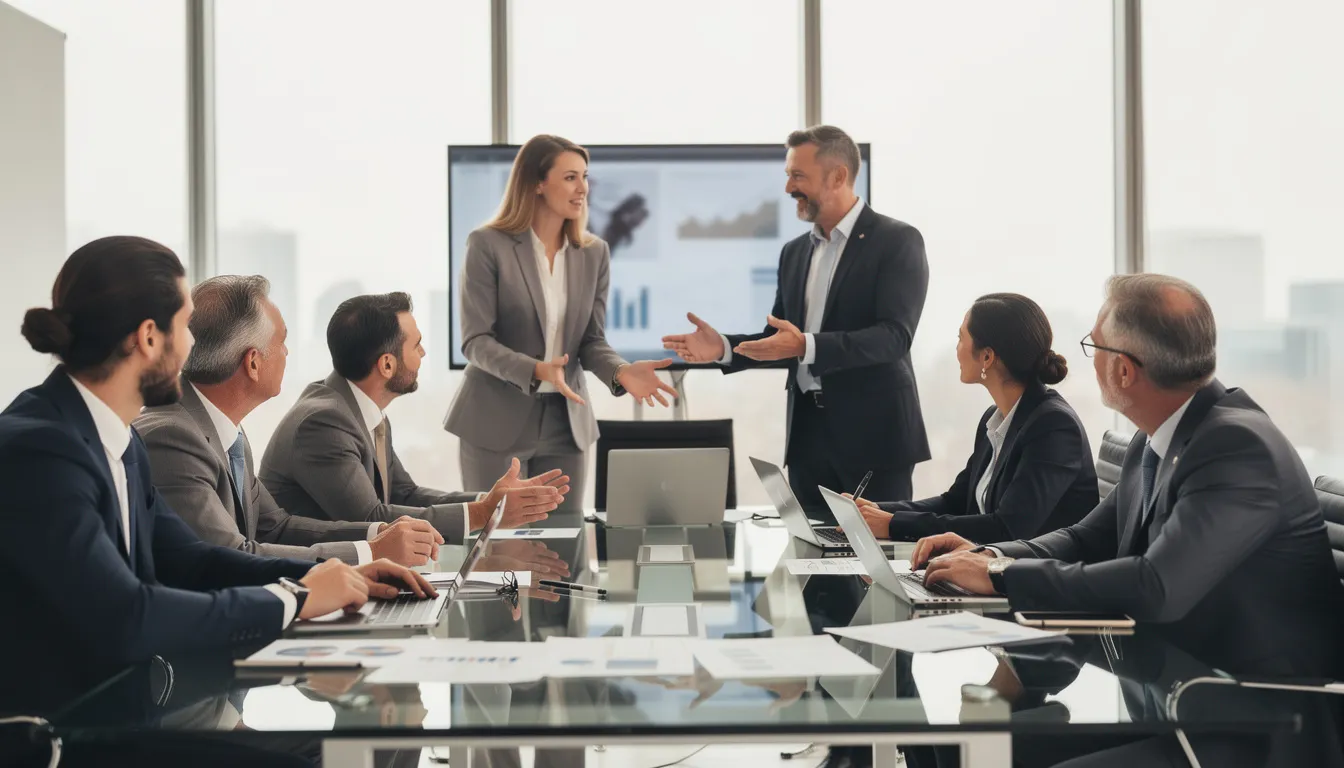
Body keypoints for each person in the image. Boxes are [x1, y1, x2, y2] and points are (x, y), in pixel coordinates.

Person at [911, 274, 1344, 765]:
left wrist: (1001, 578)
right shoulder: (1156, 438)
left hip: (1252, 728)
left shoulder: (1238, 447)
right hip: (1177, 700)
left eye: (1093, 344)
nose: (1087, 358)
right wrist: (987, 556)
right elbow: (1084, 539)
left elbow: (1157, 585)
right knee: (955, 750)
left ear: (1122, 371)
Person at [0, 237, 434, 718]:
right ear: (148, 338)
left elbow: (194, 561)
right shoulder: (41, 449)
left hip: (131, 708)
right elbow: (126, 614)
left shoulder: (119, 441)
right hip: (67, 734)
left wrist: (329, 574)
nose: (194, 345)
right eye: (186, 325)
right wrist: (297, 597)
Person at [662, 125, 930, 517]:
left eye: (797, 176)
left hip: (875, 443)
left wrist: (806, 345)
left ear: (838, 175)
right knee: (813, 566)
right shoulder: (794, 253)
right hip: (808, 443)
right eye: (788, 175)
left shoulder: (897, 241)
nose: (788, 188)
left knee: (873, 571)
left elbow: (894, 337)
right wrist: (722, 347)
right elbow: (779, 341)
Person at [135, 275, 442, 567]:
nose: (286, 352)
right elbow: (229, 555)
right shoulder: (173, 438)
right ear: (253, 363)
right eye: (281, 341)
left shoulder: (224, 430)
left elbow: (275, 527)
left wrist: (377, 535)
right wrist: (369, 552)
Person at [446, 134, 678, 511]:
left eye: (585, 177)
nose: (583, 188)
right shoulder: (487, 244)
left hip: (566, 424)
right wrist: (537, 369)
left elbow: (590, 340)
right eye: (571, 177)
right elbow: (475, 340)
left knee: (562, 555)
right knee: (499, 553)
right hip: (495, 420)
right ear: (537, 183)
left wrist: (620, 372)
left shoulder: (594, 252)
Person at [262, 292, 569, 543]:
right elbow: (372, 521)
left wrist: (489, 499)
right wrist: (484, 512)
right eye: (416, 344)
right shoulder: (324, 423)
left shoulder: (359, 409)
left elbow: (404, 494)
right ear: (386, 365)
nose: (423, 353)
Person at [851, 293, 1098, 543]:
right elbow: (956, 502)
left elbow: (1007, 528)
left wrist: (894, 525)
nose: (956, 349)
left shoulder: (1053, 427)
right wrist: (878, 511)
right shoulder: (994, 419)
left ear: (987, 357)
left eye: (961, 338)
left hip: (1040, 575)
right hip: (993, 568)